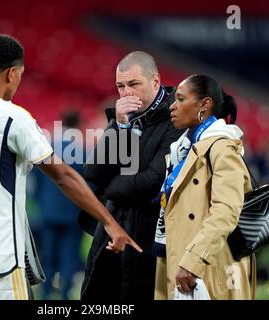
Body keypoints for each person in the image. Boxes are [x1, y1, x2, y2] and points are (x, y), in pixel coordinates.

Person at [0, 34, 142, 300]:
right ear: (12, 73)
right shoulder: (12, 116)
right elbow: (63, 175)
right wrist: (109, 222)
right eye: (21, 75)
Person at [80, 51, 184, 300]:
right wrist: (120, 125)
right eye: (120, 86)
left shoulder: (176, 118)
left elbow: (151, 182)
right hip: (111, 232)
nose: (126, 93)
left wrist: (110, 187)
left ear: (156, 81)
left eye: (134, 84)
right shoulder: (123, 118)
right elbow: (93, 172)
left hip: (152, 239)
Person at [153, 74, 252, 300]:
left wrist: (194, 260)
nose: (173, 106)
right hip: (181, 261)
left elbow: (226, 212)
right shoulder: (183, 149)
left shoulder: (223, 147)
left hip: (207, 267)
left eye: (180, 99)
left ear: (204, 104)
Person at [35, 110, 85, 300]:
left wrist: (41, 203)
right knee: (69, 257)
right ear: (78, 124)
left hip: (48, 211)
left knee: (47, 255)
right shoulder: (83, 150)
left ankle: (45, 293)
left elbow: (36, 182)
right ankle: (64, 295)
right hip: (73, 213)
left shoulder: (46, 147)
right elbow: (87, 183)